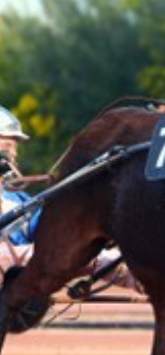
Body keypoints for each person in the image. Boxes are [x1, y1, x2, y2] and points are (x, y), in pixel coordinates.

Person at [0, 105, 138, 292]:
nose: (13, 154)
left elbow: (50, 230)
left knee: (106, 259)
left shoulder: (16, 197)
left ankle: (161, 289)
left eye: (14, 147)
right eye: (7, 146)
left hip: (20, 264)